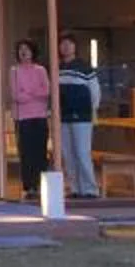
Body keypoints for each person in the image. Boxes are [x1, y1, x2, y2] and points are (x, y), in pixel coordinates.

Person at [57, 35, 101, 198]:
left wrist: (93, 111)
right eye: (62, 44)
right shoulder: (58, 67)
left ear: (75, 47)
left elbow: (95, 91)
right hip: (63, 116)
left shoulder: (84, 67)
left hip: (82, 116)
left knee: (82, 152)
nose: (65, 47)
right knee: (68, 154)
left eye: (69, 44)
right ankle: (74, 188)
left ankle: (90, 189)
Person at [7, 38, 50, 202]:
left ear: (33, 52)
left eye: (26, 49)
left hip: (40, 116)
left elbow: (46, 91)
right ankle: (28, 186)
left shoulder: (41, 70)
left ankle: (40, 186)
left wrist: (28, 92)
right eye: (20, 49)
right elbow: (16, 96)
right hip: (22, 117)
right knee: (26, 153)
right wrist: (34, 92)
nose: (23, 52)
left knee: (40, 152)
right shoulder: (14, 70)